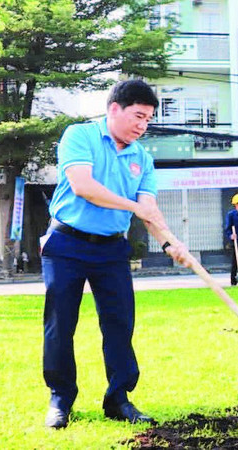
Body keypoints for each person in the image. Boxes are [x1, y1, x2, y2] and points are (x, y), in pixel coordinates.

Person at [41, 80, 193, 429]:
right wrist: (134, 207)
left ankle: (118, 399)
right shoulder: (79, 136)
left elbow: (149, 210)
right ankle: (60, 399)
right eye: (138, 116)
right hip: (66, 243)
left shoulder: (142, 158)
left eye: (148, 119)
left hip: (111, 248)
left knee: (120, 324)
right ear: (114, 109)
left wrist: (171, 243)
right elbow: (84, 187)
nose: (143, 125)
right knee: (60, 325)